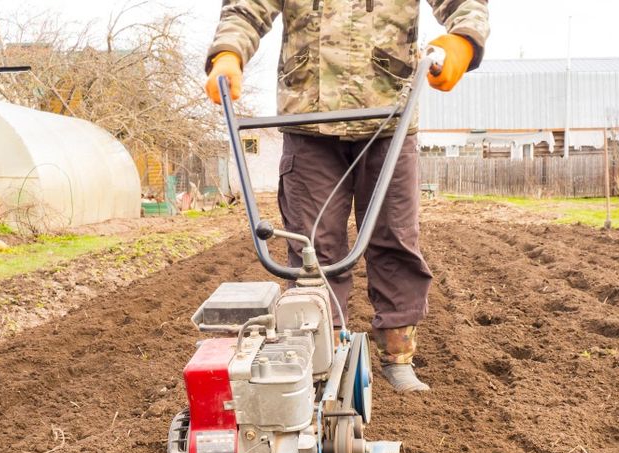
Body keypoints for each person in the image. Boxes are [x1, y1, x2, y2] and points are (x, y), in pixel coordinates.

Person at [205, 0, 489, 392]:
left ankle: (398, 355)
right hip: (306, 117)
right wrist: (228, 52)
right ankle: (324, 356)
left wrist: (462, 40)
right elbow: (247, 7)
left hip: (390, 113)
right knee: (313, 246)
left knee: (395, 239)